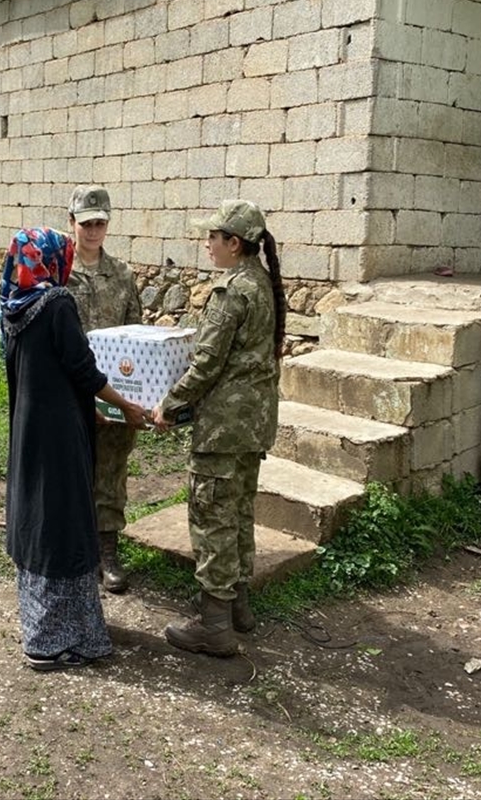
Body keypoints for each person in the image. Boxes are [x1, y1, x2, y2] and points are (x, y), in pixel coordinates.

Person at [0, 227, 147, 672]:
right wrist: (126, 405)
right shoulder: (58, 303)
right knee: (64, 523)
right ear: (51, 260)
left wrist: (90, 408)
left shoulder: (13, 303)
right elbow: (83, 367)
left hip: (30, 431)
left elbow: (48, 369)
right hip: (60, 436)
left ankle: (46, 626)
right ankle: (51, 642)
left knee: (40, 518)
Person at [152, 200, 286, 657]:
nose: (207, 244)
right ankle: (238, 607)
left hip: (224, 429)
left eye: (213, 237)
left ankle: (214, 624)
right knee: (239, 512)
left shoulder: (232, 292)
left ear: (234, 243)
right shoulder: (262, 283)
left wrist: (170, 404)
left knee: (211, 518)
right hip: (252, 425)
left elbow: (207, 363)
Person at [64, 184, 144, 594]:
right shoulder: (59, 273)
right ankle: (75, 551)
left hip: (114, 394)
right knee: (71, 470)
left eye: (101, 223)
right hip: (71, 390)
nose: (94, 231)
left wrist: (132, 398)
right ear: (72, 222)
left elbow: (136, 339)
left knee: (111, 471)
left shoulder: (123, 275)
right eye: (87, 223)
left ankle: (107, 552)